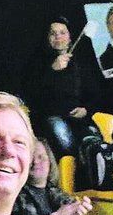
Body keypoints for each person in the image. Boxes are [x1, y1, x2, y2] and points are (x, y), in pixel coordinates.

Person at [23, 18, 101, 157]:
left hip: (80, 118)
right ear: (47, 39)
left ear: (70, 37)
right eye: (53, 33)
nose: (58, 36)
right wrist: (52, 72)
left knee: (93, 141)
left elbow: (94, 93)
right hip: (51, 117)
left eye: (62, 32)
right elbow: (34, 96)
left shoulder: (81, 64)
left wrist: (86, 110)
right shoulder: (36, 63)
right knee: (61, 134)